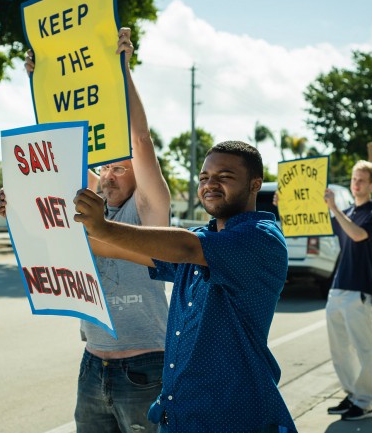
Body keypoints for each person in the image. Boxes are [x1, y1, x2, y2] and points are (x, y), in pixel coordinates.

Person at [0, 28, 172, 433]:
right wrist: (40, 82)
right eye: (104, 167)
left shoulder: (147, 211)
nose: (109, 175)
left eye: (120, 168)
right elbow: (53, 159)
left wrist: (121, 70)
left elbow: (140, 139)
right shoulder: (86, 209)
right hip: (93, 364)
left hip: (145, 367)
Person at [73, 141, 296, 433]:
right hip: (180, 415)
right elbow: (114, 248)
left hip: (232, 416)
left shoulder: (260, 237)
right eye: (204, 178)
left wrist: (104, 227)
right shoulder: (204, 238)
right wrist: (27, 220)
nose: (210, 184)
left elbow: (184, 246)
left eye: (224, 176)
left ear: (255, 184)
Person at [321, 161, 372, 421]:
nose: (356, 184)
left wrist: (335, 208)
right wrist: (289, 206)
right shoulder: (346, 211)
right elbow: (316, 226)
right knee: (339, 350)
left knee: (363, 349)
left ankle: (366, 402)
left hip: (359, 289)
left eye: (361, 180)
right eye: (353, 178)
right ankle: (353, 395)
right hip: (337, 287)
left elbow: (358, 235)